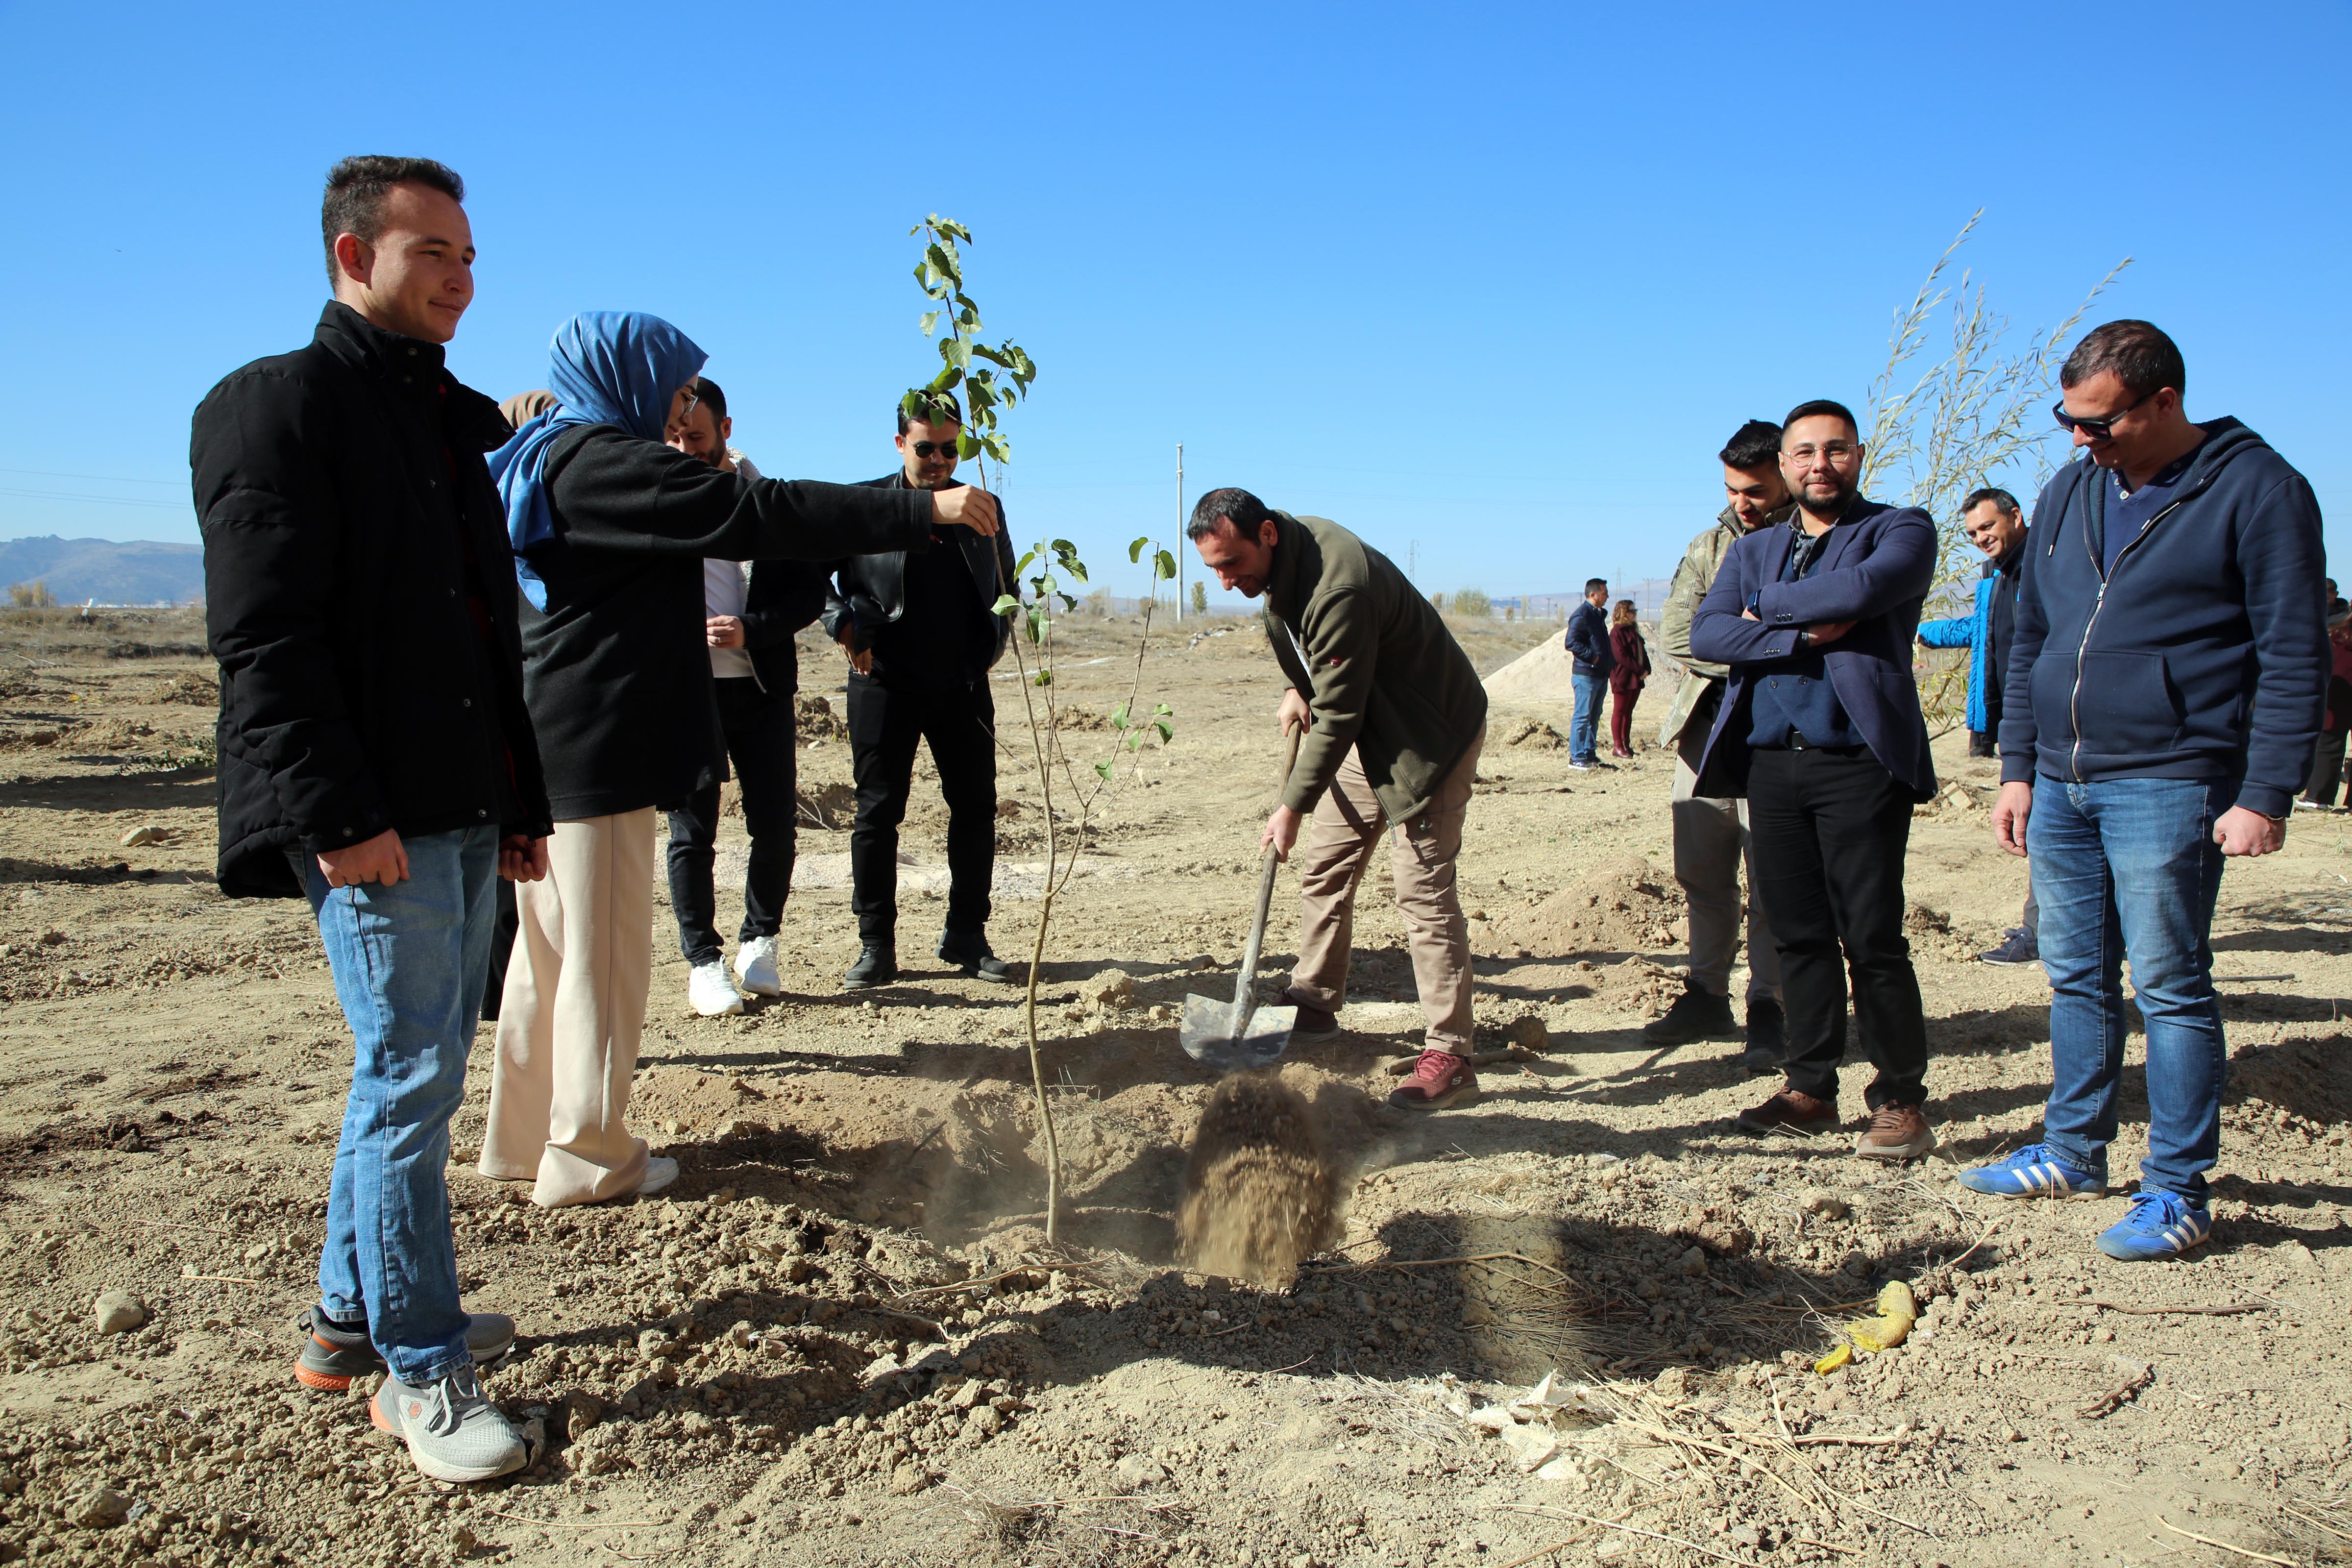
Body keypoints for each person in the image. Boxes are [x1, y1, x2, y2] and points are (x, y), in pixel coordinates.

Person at [194, 155, 548, 1483]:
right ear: (354, 258)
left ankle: (348, 1324)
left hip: (455, 809)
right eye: (435, 256)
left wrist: (513, 803)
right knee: (409, 1083)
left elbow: (479, 635)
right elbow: (267, 642)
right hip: (369, 820)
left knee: (414, 1065)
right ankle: (422, 1373)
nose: (463, 279)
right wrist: (336, 817)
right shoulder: (273, 409)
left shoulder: (446, 424)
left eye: (469, 257)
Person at [478, 313, 999, 1209]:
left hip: (551, 737)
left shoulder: (544, 454)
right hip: (596, 745)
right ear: (627, 379)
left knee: (550, 954)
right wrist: (922, 508)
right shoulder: (608, 462)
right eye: (677, 389)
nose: (685, 408)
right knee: (603, 960)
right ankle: (593, 1158)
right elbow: (766, 513)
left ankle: (523, 1139)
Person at [1966, 319, 2327, 1262]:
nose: (2079, 439)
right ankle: (2074, 1151)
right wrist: (2017, 767)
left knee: (2169, 984)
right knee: (2076, 976)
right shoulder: (2073, 486)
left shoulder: (2259, 489)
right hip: (2063, 781)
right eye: (2068, 420)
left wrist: (2267, 793)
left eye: (2099, 422)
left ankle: (2177, 1189)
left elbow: (2294, 653)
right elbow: (2032, 640)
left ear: (2163, 401)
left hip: (2172, 779)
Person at [1690, 399, 1939, 1162]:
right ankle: (1811, 1088)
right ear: (1786, 464)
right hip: (1771, 764)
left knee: (1871, 937)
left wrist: (1762, 613)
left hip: (1858, 763)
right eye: (1804, 453)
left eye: (1835, 451)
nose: (1818, 465)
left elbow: (1864, 593)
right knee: (1797, 933)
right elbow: (1707, 632)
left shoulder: (1900, 529)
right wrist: (1798, 628)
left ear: (1859, 456)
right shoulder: (1756, 547)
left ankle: (1900, 1099)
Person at [1188, 488, 1489, 1110]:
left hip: (1426, 737)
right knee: (1327, 862)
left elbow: (1342, 713)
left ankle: (1452, 1053)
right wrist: (1302, 685)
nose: (1224, 581)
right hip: (1370, 726)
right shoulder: (1289, 555)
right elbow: (1321, 660)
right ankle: (1315, 1003)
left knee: (1422, 889)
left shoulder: (1338, 582)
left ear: (1266, 533)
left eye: (1231, 563)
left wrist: (1291, 805)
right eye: (1213, 568)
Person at [822, 396, 1022, 989]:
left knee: (976, 809)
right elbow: (812, 579)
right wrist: (844, 626)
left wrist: (993, 641)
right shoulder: (867, 505)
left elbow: (1005, 585)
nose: (939, 460)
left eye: (950, 448)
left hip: (961, 684)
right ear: (898, 443)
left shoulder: (982, 508)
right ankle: (876, 945)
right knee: (878, 813)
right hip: (882, 681)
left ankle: (966, 933)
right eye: (925, 447)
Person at [659, 377, 829, 1016]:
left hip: (760, 689)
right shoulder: (654, 497)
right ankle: (702, 963)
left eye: (694, 436)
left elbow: (809, 595)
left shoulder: (767, 502)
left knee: (774, 824)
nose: (681, 448)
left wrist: (750, 630)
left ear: (726, 432)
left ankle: (761, 944)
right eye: (672, 435)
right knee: (691, 833)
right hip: (689, 693)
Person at [1648, 419, 1789, 1069]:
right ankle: (1706, 995)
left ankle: (1772, 1005)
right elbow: (1679, 636)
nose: (1742, 503)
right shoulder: (1709, 547)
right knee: (1702, 873)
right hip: (1704, 733)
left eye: (1755, 490)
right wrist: (1764, 643)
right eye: (1733, 490)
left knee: (1774, 879)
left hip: (1783, 738)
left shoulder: (1815, 542)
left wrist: (1728, 634)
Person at [1915, 487, 2040, 965]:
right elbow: (1982, 630)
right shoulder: (1997, 577)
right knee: (2042, 829)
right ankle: (2045, 927)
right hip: (2014, 721)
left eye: (1987, 527)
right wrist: (1920, 631)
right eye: (1971, 533)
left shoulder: (2049, 569)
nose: (1980, 538)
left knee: (2048, 831)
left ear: (2016, 514)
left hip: (2049, 721)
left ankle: (2043, 933)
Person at [2300, 609, 2352, 812]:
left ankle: (2318, 797)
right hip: (2339, 693)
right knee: (2329, 743)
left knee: (2329, 744)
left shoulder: (2335, 634)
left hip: (2338, 694)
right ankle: (2320, 797)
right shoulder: (2335, 633)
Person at [1564, 578, 1614, 769]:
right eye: (1604, 592)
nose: (1607, 596)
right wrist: (1593, 658)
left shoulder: (1598, 616)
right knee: (1583, 716)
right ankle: (1576, 757)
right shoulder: (1582, 615)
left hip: (1600, 676)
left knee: (1594, 716)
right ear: (1593, 595)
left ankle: (1589, 754)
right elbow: (1571, 642)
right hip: (1586, 675)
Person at [1606, 600, 1649, 759]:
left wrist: (1647, 670)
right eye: (1632, 611)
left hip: (1635, 679)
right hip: (1623, 678)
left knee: (1628, 713)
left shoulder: (1632, 631)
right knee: (1620, 711)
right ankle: (1617, 746)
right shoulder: (1617, 632)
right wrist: (1639, 670)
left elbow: (1641, 652)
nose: (1635, 613)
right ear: (1624, 613)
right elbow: (1621, 656)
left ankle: (1626, 744)